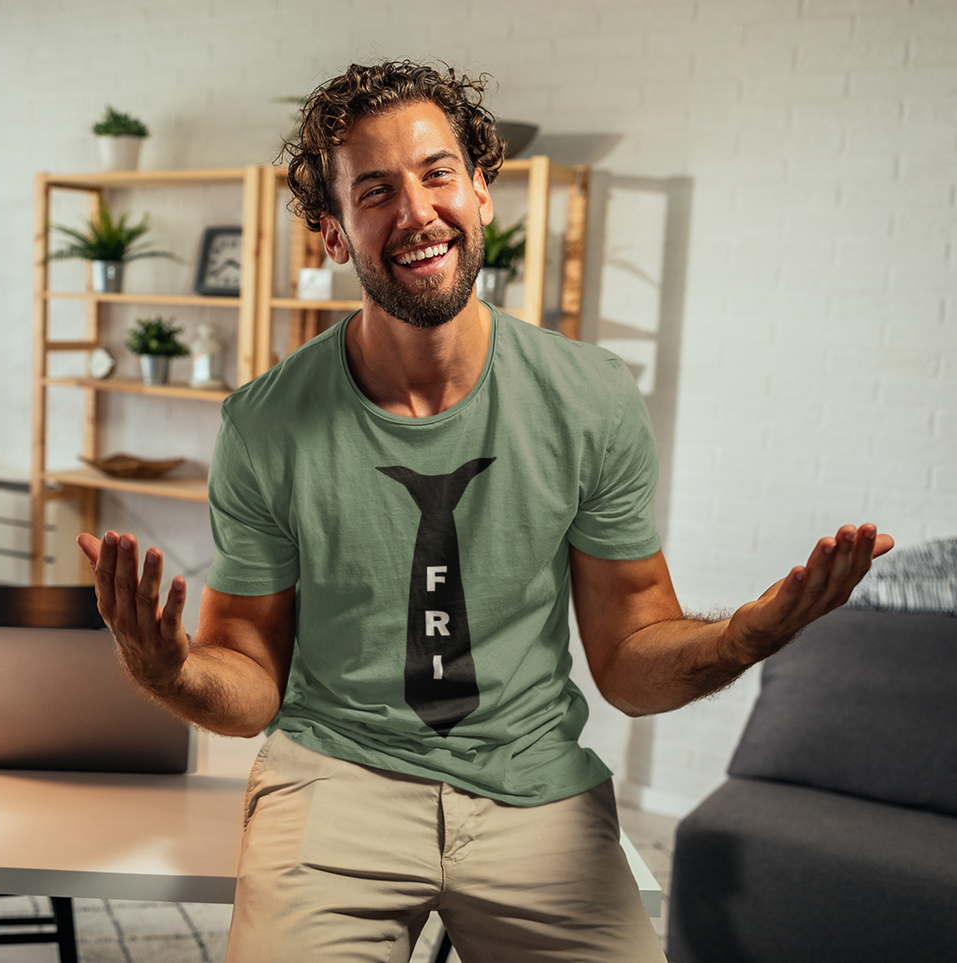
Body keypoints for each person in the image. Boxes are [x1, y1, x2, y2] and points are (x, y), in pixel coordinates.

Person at [77, 59, 893, 962]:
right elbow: (250, 683)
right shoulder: (266, 424)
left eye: (435, 173)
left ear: (480, 191)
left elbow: (627, 660)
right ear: (332, 235)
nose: (416, 211)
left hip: (534, 790)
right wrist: (167, 669)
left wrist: (746, 633)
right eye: (375, 190)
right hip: (333, 780)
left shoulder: (589, 397)